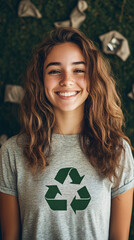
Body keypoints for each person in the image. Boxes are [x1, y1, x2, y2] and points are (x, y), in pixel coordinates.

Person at [0, 27, 134, 240]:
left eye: (79, 70)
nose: (66, 80)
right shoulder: (12, 152)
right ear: (41, 79)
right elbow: (10, 236)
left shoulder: (117, 151)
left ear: (92, 77)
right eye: (54, 70)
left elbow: (119, 236)